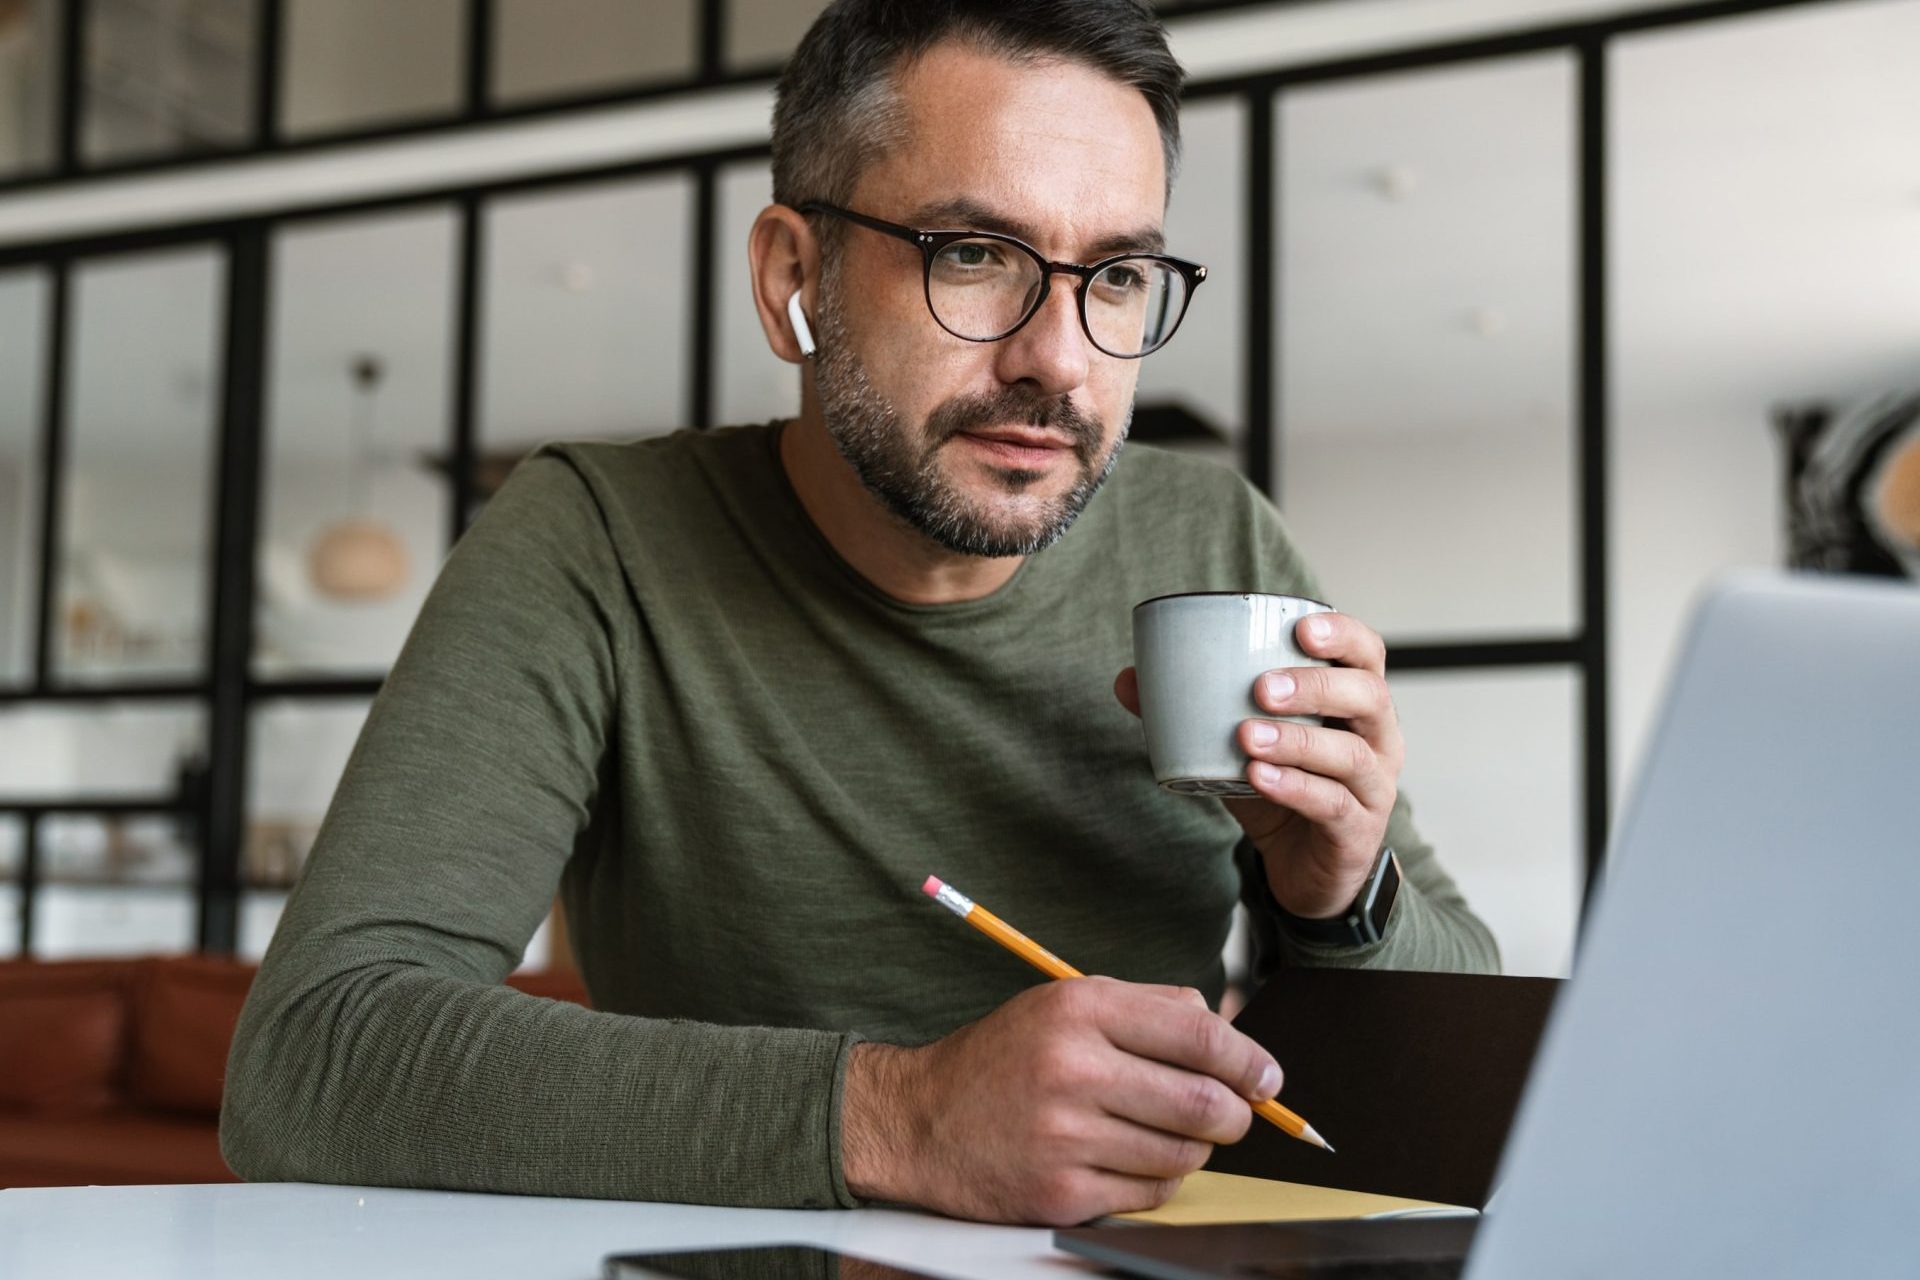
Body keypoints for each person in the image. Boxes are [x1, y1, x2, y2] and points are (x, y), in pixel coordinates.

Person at [221, 0, 1497, 1228]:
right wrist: (898, 1117)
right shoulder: (597, 542)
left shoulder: (1213, 538)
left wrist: (1338, 892)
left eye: (1117, 276)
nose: (1059, 357)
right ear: (795, 273)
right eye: (976, 255)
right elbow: (314, 1050)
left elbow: (1462, 1074)